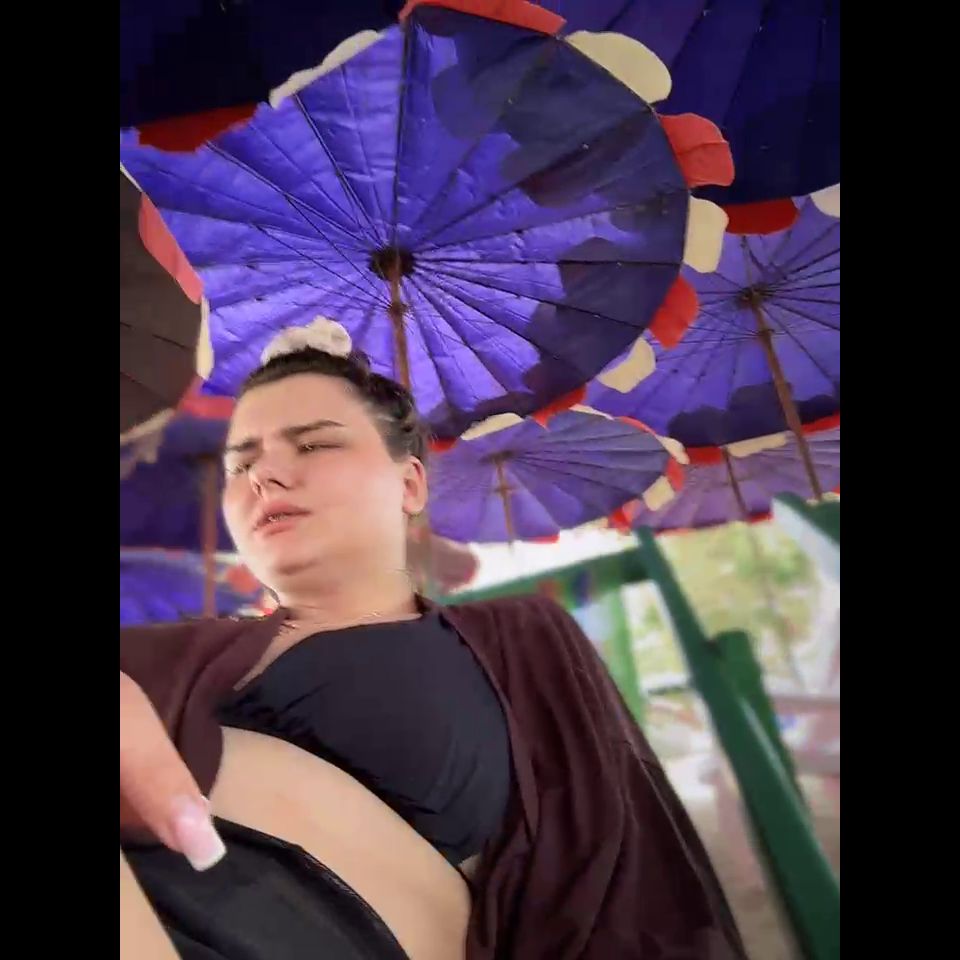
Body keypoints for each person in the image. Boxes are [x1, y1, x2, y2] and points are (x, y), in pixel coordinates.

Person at [120, 318, 747, 959]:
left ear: (410, 483)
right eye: (241, 462)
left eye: (313, 445)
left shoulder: (522, 643)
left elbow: (636, 880)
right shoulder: (177, 654)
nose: (266, 475)